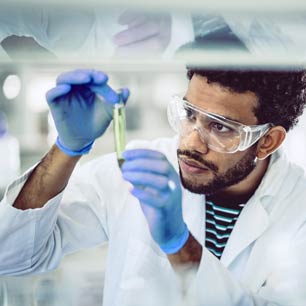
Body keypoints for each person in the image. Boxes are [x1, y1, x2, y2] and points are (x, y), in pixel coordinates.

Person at [0, 67, 306, 306]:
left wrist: (178, 242)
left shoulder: (298, 208)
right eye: (189, 114)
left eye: (220, 127)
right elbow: (11, 255)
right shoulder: (140, 167)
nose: (191, 143)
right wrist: (67, 148)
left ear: (267, 141)